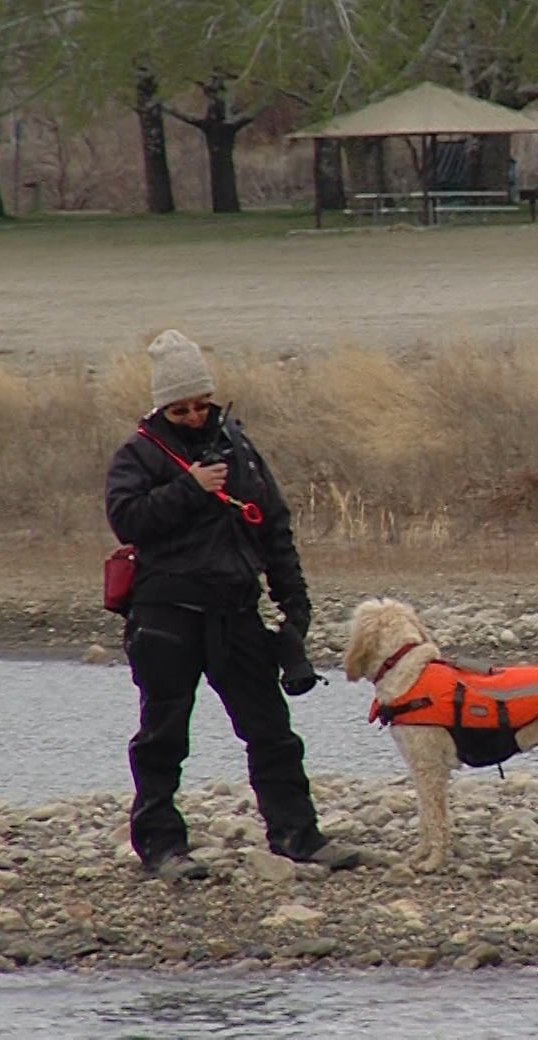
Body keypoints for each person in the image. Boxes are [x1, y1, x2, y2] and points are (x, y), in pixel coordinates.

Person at [105, 329, 358, 879]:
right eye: (180, 409)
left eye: (201, 404)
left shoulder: (239, 447)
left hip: (237, 613)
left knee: (272, 731)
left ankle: (298, 835)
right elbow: (127, 520)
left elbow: (275, 527)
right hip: (165, 616)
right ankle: (161, 846)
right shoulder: (138, 455)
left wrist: (295, 607)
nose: (194, 416)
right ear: (162, 407)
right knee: (163, 736)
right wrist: (189, 487)